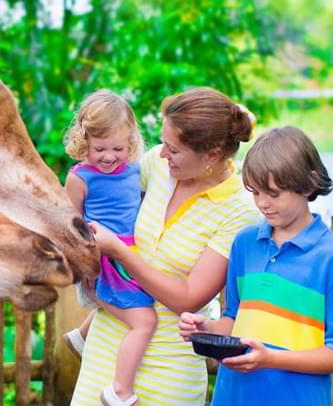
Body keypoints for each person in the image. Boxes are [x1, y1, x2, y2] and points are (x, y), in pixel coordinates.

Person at [71, 87, 258, 406]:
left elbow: (187, 297)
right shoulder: (158, 166)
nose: (161, 153)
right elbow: (107, 194)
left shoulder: (239, 210)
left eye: (173, 149)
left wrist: (118, 251)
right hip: (107, 350)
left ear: (211, 155)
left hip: (171, 365)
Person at [179, 126, 333, 405]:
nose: (263, 204)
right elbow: (235, 319)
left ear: (309, 184)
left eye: (274, 194)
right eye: (256, 193)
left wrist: (270, 359)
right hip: (232, 397)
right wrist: (208, 328)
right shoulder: (244, 243)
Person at [61, 89, 156, 405]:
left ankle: (82, 335)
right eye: (100, 148)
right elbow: (69, 225)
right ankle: (120, 391)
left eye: (118, 147)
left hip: (128, 254)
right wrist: (84, 266)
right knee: (144, 321)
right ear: (83, 141)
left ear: (130, 142)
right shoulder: (80, 177)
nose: (109, 156)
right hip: (105, 259)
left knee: (135, 304)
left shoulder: (134, 170)